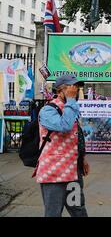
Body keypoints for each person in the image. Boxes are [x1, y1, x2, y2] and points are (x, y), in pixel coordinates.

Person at [34, 74, 89, 217]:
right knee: (53, 212)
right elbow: (64, 126)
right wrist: (70, 100)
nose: (75, 91)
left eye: (76, 88)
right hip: (54, 172)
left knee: (78, 209)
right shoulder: (48, 110)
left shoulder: (71, 107)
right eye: (71, 88)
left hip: (73, 171)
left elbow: (77, 135)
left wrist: (82, 157)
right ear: (60, 91)